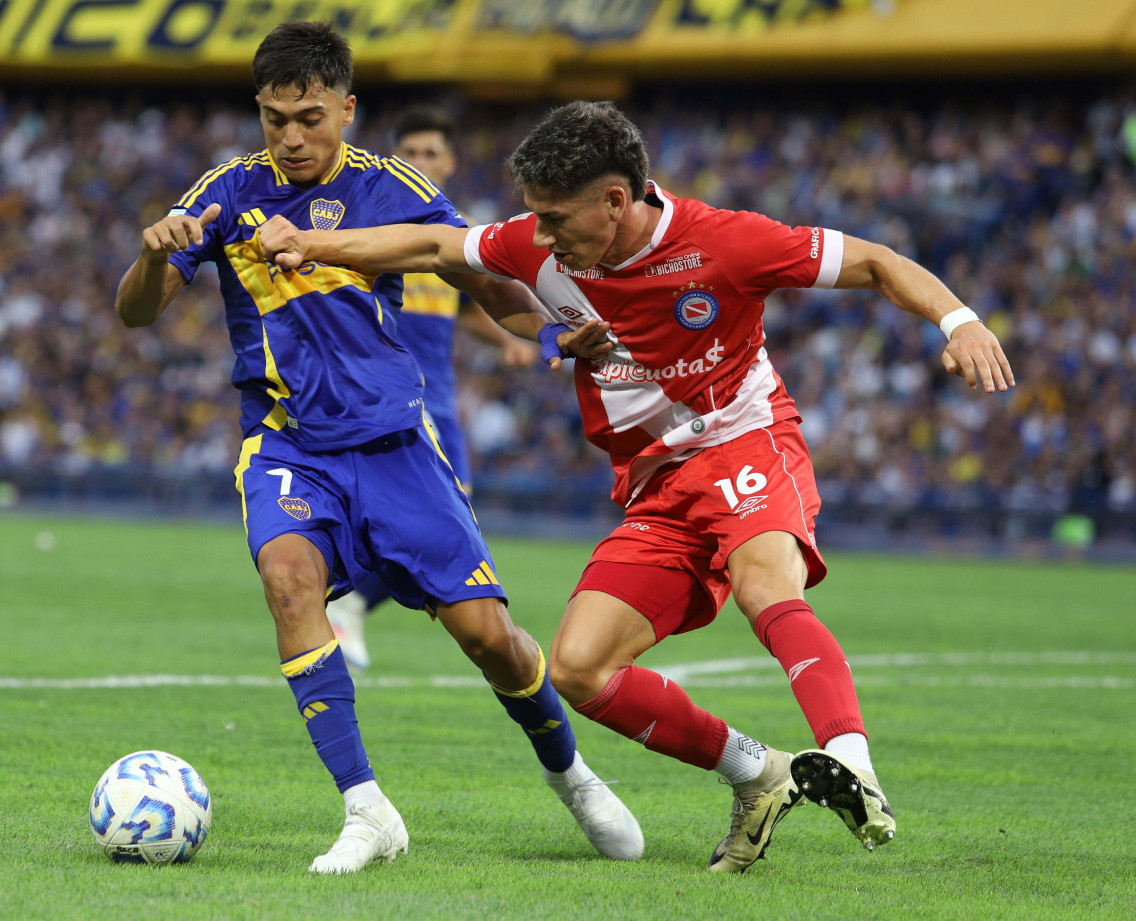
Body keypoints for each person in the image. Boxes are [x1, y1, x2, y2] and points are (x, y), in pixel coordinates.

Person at [257, 100, 1016, 872]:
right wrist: (308, 243)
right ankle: (758, 773)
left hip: (743, 441)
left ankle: (852, 760)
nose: (540, 237)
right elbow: (432, 241)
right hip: (657, 488)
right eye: (535, 220)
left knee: (764, 583)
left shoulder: (726, 243)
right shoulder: (538, 244)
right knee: (580, 666)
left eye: (554, 219)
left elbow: (878, 262)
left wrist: (959, 320)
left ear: (616, 200)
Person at [114, 28, 643, 875]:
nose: (291, 137)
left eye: (310, 117)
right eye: (275, 118)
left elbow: (491, 289)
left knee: (490, 639)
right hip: (288, 444)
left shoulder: (396, 188)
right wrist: (151, 256)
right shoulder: (225, 194)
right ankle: (366, 808)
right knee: (290, 581)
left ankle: (571, 774)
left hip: (396, 446)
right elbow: (138, 312)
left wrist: (556, 329)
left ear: (347, 111)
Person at [325, 106, 538, 672]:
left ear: (448, 161)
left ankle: (352, 599)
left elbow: (468, 307)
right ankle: (350, 601)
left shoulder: (452, 231)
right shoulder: (370, 220)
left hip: (437, 394)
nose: (420, 162)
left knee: (442, 510)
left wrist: (508, 342)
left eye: (430, 154)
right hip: (390, 391)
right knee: (436, 513)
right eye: (410, 153)